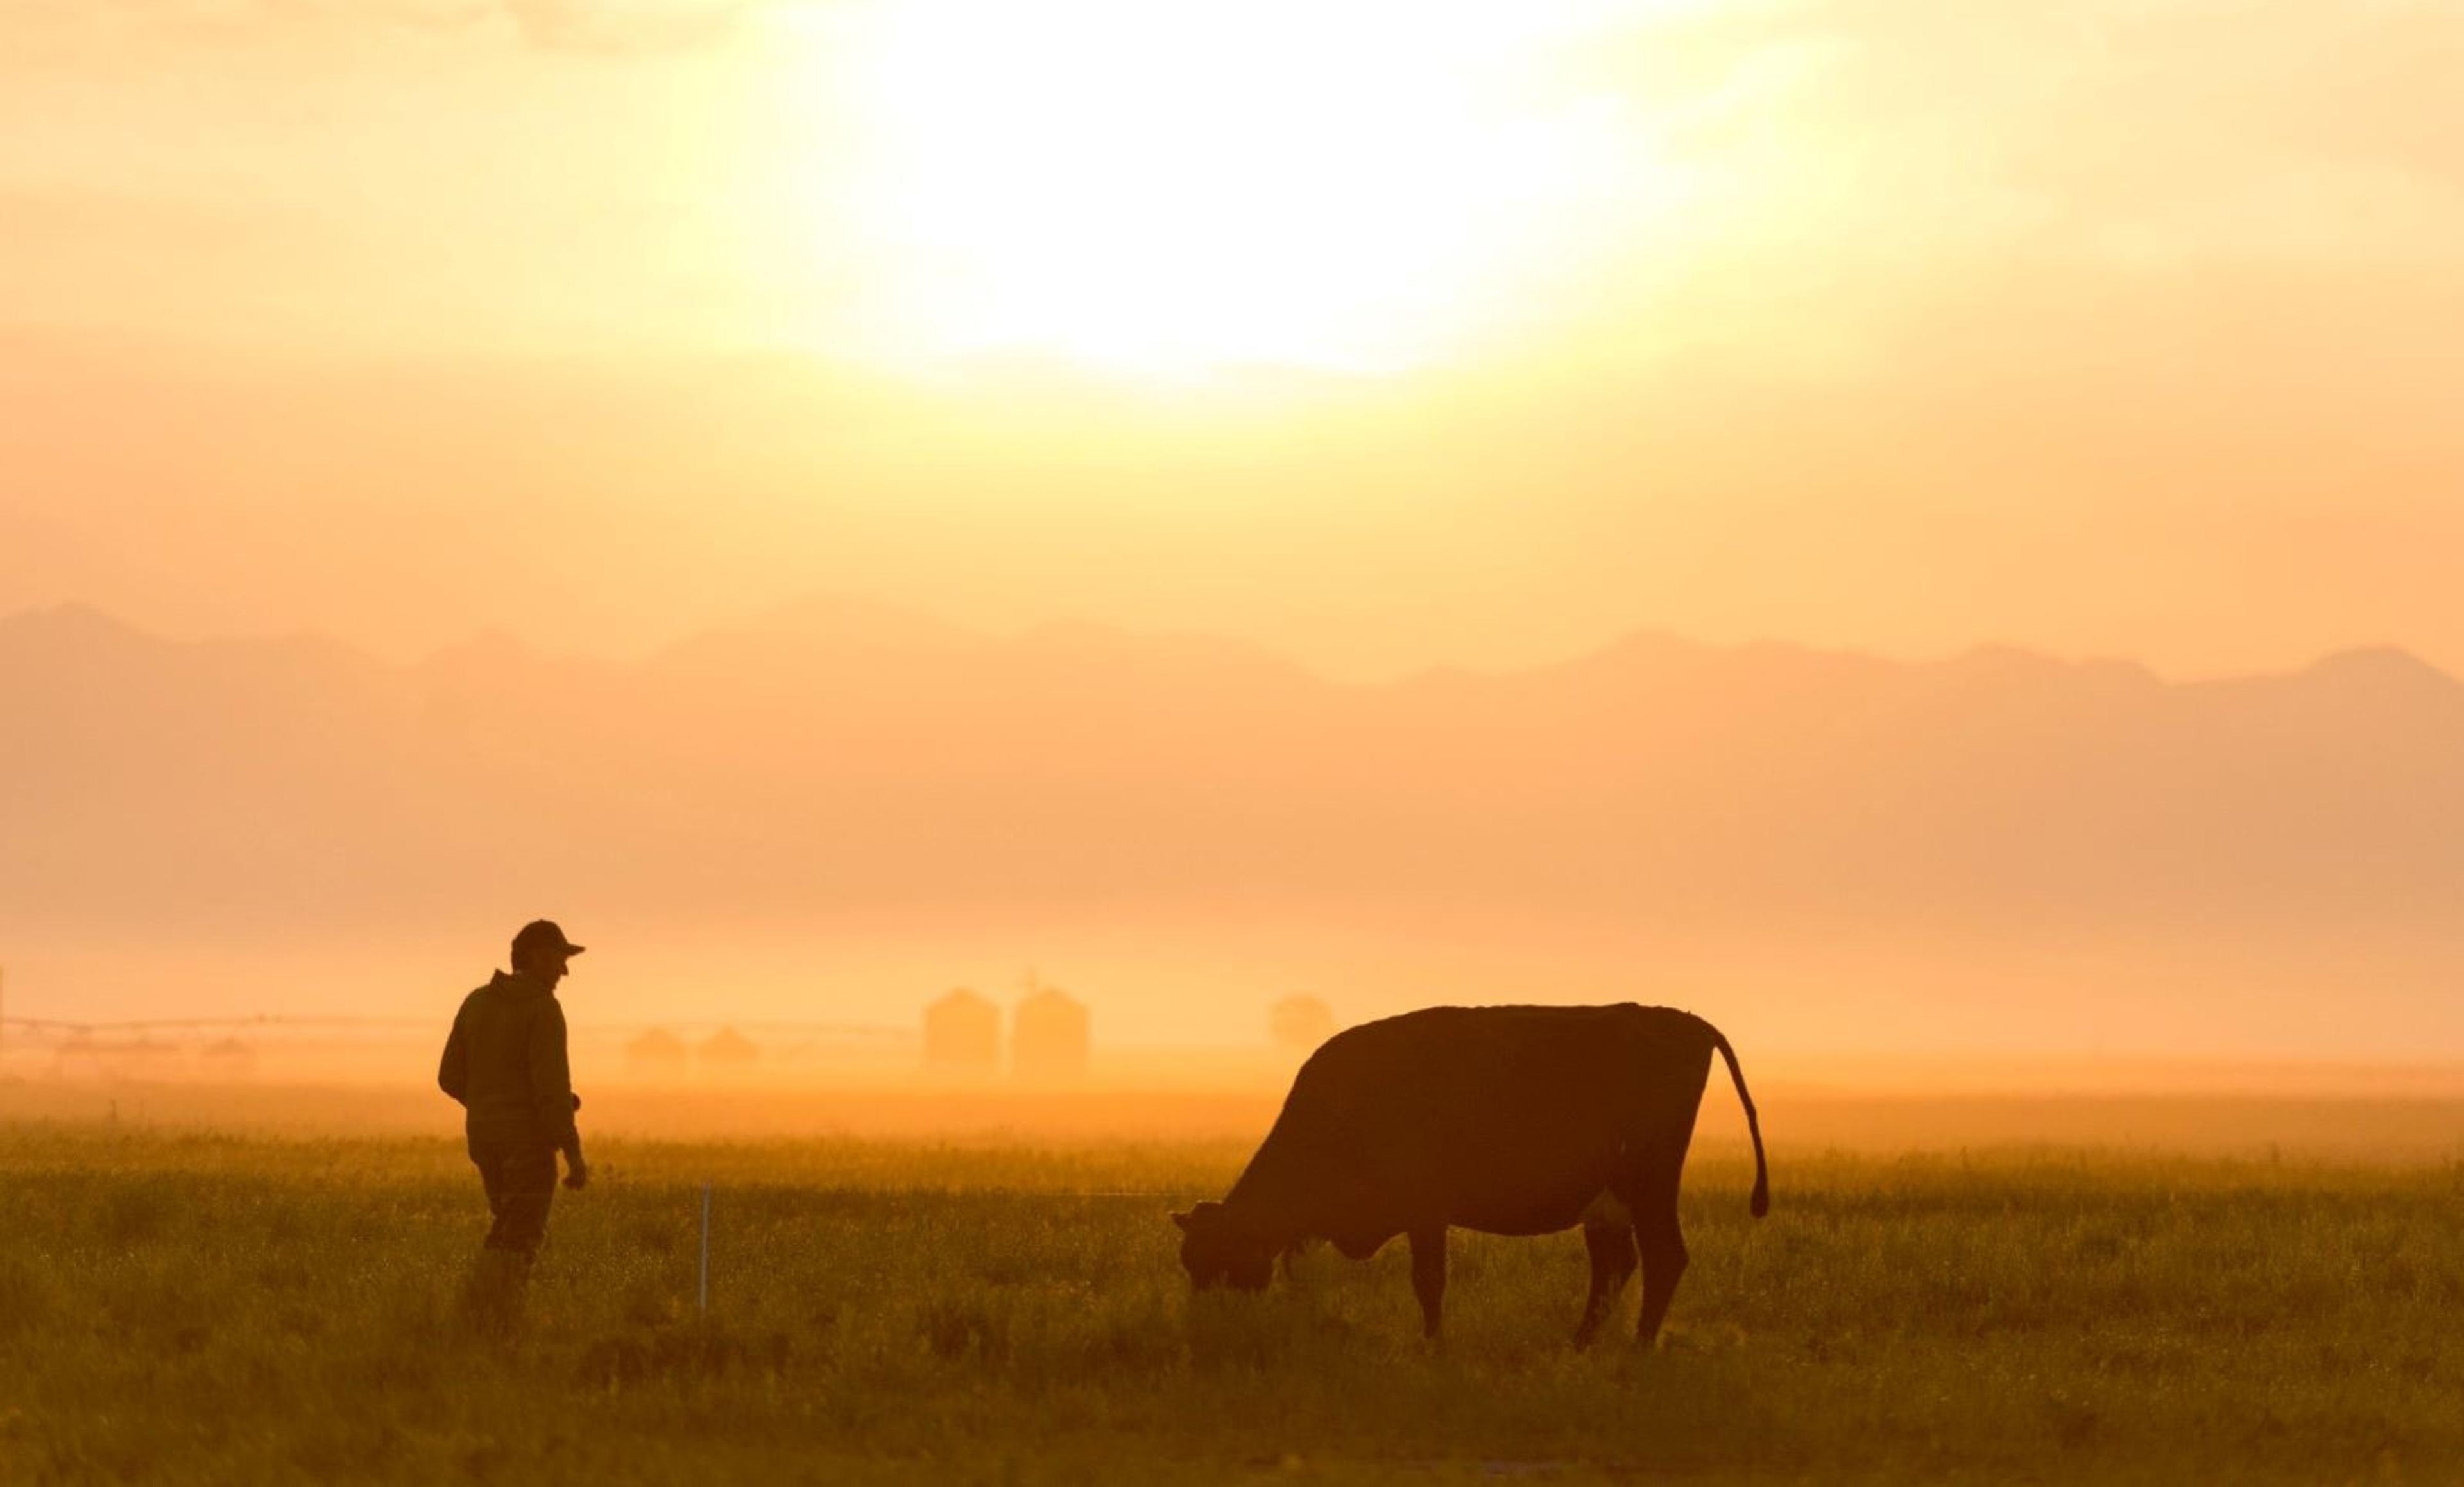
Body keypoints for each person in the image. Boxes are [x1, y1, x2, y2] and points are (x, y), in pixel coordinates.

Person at [437, 919, 591, 1330]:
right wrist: (574, 1156)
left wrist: (492, 1104)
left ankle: (487, 1314)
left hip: (485, 1139)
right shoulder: (542, 1008)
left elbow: (449, 1077)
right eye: (560, 959)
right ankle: (488, 1316)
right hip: (528, 1144)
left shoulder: (477, 1002)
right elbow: (551, 1091)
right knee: (520, 1237)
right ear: (538, 959)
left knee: (506, 1225)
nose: (565, 971)